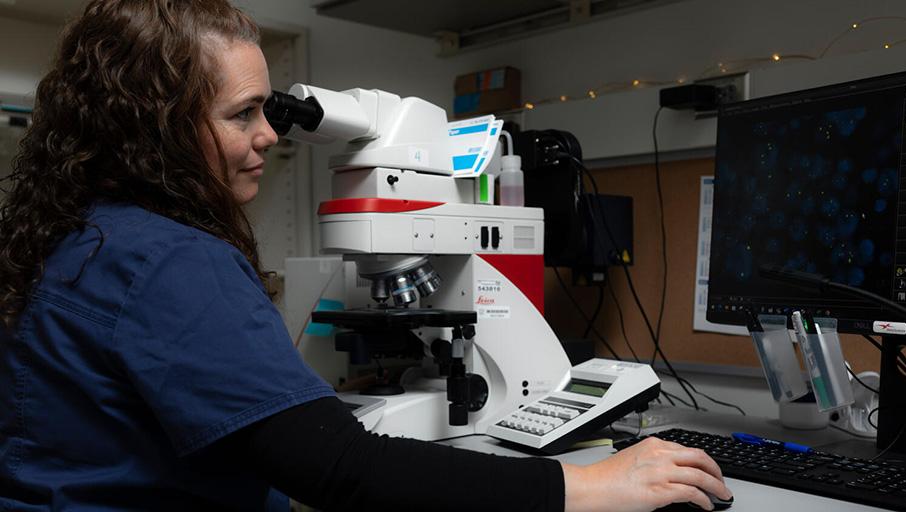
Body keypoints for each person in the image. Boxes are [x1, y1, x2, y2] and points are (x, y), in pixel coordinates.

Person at [0, 1, 733, 510]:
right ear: (156, 129)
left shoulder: (78, 235)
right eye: (242, 113)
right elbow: (344, 470)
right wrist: (595, 487)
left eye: (269, 110)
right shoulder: (169, 260)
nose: (268, 134)